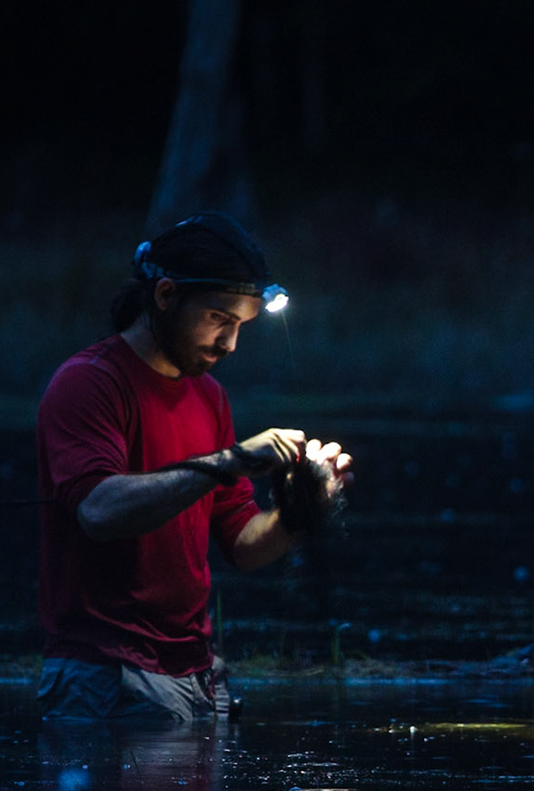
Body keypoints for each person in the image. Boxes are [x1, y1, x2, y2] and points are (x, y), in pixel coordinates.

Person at [35, 212, 352, 721]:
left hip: (196, 676)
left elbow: (242, 544)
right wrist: (235, 460)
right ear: (165, 296)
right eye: (219, 319)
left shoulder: (209, 397)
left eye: (241, 326)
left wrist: (298, 511)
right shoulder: (88, 384)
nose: (229, 345)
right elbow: (99, 511)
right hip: (105, 677)